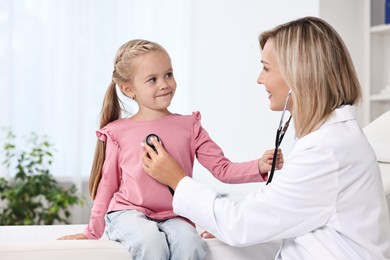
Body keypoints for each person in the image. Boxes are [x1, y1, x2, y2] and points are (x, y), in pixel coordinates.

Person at [142, 17, 390, 259]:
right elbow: (275, 217)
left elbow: (240, 224)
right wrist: (227, 226)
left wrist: (176, 179)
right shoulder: (329, 139)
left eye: (266, 68)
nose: (260, 79)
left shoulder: (326, 150)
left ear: (298, 74)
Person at [58, 39, 283, 260]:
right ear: (128, 89)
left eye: (168, 74)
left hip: (175, 214)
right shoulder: (117, 132)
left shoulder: (189, 126)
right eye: (152, 80)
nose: (164, 84)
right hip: (128, 212)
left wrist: (258, 166)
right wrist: (91, 232)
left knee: (190, 243)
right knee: (149, 240)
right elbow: (107, 186)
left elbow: (222, 169)